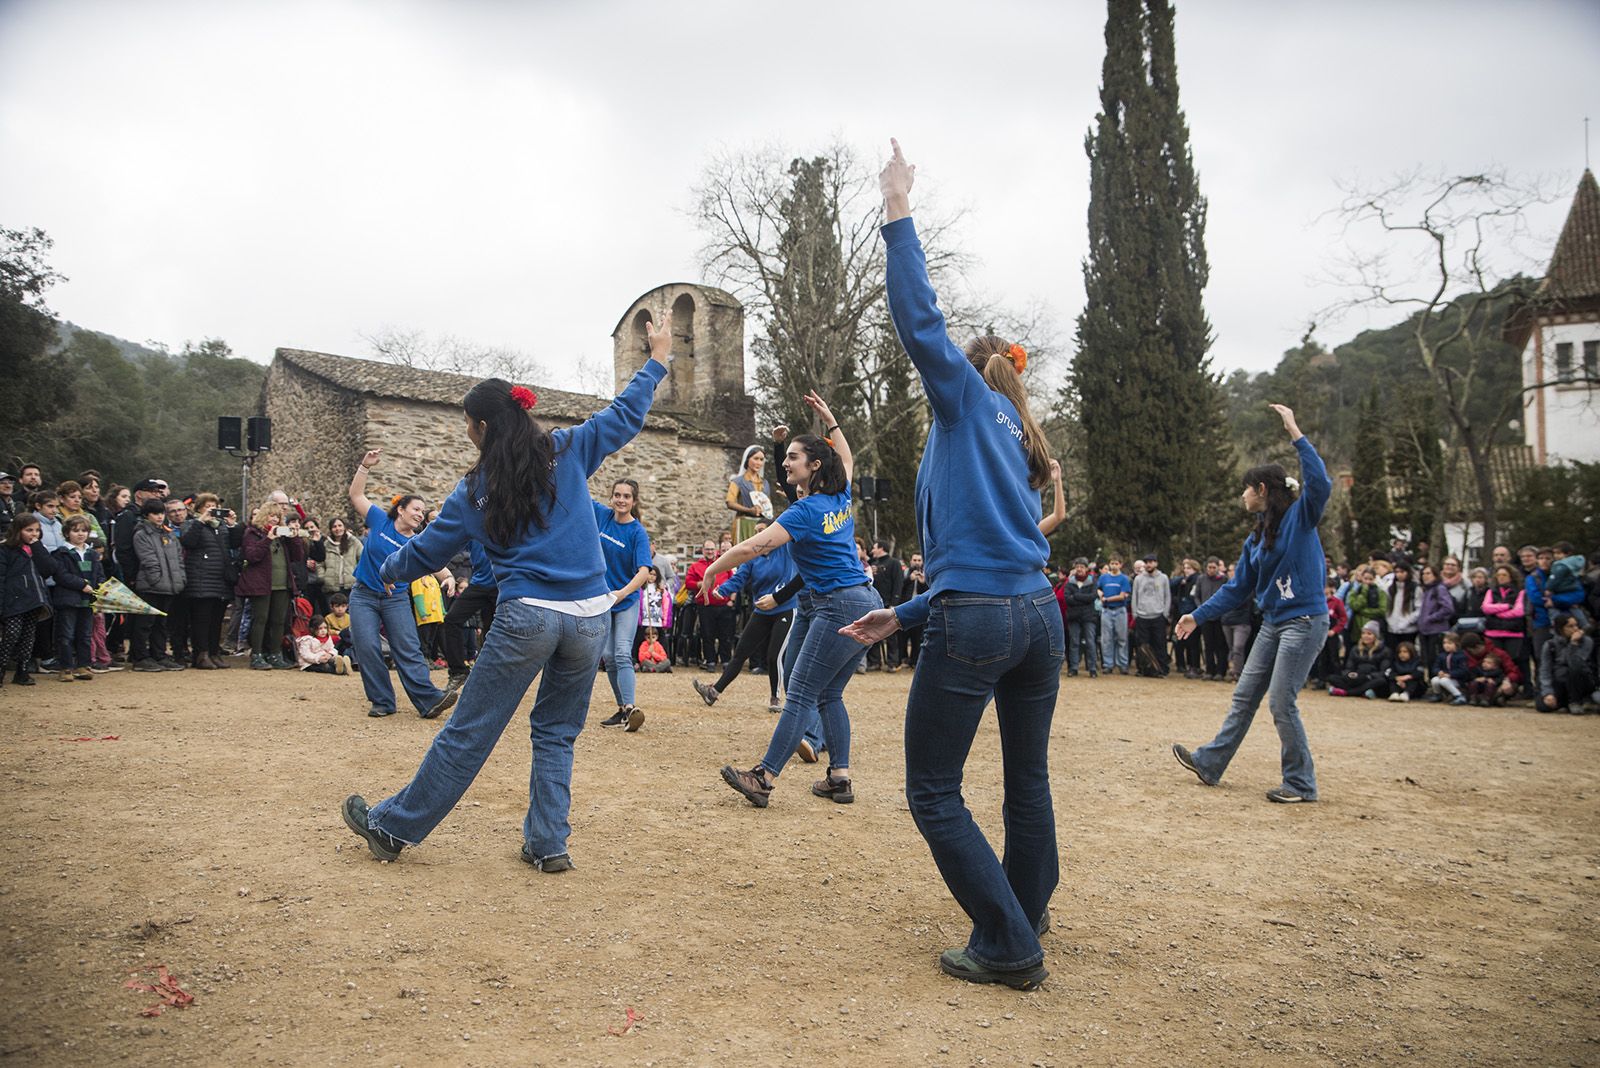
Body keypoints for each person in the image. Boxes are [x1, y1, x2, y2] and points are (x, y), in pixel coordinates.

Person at [835, 140, 1062, 990]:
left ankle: (1008, 942)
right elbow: (996, 558)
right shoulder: (1013, 429)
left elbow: (918, 320)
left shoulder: (965, 402)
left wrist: (898, 210)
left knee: (932, 789)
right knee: (1026, 780)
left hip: (982, 621)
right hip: (1036, 617)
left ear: (963, 372)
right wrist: (906, 612)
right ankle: (1028, 907)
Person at [341, 312, 673, 872]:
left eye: (468, 424)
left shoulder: (472, 489)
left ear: (483, 428)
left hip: (528, 619)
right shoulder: (565, 450)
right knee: (556, 733)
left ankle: (393, 828)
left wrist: (389, 569)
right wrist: (657, 358)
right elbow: (624, 416)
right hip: (590, 618)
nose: (466, 432)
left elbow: (425, 553)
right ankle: (548, 844)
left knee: (470, 731)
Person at [713, 390, 881, 808]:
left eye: (791, 457)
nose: (784, 463)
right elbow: (846, 456)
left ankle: (763, 778)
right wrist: (831, 421)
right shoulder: (839, 498)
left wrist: (715, 570)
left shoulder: (804, 512)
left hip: (838, 604)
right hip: (862, 599)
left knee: (802, 692)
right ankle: (839, 778)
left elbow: (755, 547)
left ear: (814, 466)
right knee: (830, 694)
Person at [1170, 403, 1331, 804]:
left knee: (1280, 702)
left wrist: (1295, 430)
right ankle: (1210, 763)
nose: (1241, 494)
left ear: (1261, 491)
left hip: (1305, 620)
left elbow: (1321, 483)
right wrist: (1196, 615)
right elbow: (1235, 588)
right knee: (1244, 696)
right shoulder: (1255, 539)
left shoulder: (1300, 517)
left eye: (1246, 488)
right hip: (1275, 623)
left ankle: (1301, 784)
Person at [344, 455, 459, 719]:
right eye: (416, 509)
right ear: (401, 510)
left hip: (395, 599)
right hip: (363, 596)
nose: (420, 514)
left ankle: (428, 700)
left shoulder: (417, 541)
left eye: (422, 511)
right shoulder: (379, 521)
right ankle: (382, 701)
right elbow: (356, 495)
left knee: (408, 648)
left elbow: (433, 563)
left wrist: (448, 576)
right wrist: (364, 467)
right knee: (368, 647)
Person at [692, 517, 797, 712]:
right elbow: (739, 578)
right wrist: (721, 590)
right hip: (762, 610)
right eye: (756, 532)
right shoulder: (752, 558)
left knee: (774, 656)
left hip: (786, 607)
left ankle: (776, 698)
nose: (759, 535)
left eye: (763, 531)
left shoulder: (786, 549)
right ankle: (713, 692)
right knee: (740, 653)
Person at [594, 478, 654, 730]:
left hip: (627, 599)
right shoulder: (604, 518)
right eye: (617, 495)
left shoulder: (637, 532)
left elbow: (643, 571)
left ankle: (630, 707)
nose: (621, 500)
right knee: (607, 656)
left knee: (621, 652)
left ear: (634, 501)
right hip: (604, 599)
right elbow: (579, 494)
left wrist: (621, 593)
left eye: (626, 496)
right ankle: (622, 710)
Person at [238, 501, 305, 671]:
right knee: (260, 619)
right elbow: (252, 556)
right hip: (260, 584)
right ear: (263, 516)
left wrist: (295, 537)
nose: (274, 519)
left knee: (279, 621)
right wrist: (268, 538)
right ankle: (257, 654)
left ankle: (276, 654)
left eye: (278, 516)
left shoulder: (283, 536)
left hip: (282, 584)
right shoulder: (252, 533)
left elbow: (298, 556)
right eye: (271, 515)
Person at [131, 498, 186, 672]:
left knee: (161, 624)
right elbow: (148, 561)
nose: (159, 517)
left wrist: (180, 579)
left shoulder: (168, 533)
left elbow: (178, 559)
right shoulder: (141, 534)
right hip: (150, 586)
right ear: (147, 515)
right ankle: (140, 657)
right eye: (155, 513)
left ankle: (159, 654)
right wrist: (156, 580)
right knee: (145, 623)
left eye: (161, 513)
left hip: (169, 586)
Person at [179, 493, 233, 670]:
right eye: (208, 506)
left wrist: (233, 525)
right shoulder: (191, 523)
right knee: (201, 620)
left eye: (215, 506)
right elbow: (188, 542)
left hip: (220, 579)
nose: (212, 509)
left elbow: (234, 544)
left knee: (216, 620)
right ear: (199, 508)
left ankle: (213, 652)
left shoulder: (222, 526)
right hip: (201, 579)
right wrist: (201, 521)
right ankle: (200, 654)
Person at [0, 514, 52, 686]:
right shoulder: (5, 549)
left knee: (29, 636)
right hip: (13, 600)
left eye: (37, 530)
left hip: (35, 599)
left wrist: (37, 547)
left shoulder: (38, 548)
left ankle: (22, 672)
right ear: (18, 530)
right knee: (11, 634)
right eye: (29, 530)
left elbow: (48, 569)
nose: (34, 534)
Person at [48, 516, 102, 681]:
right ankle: (65, 667)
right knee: (66, 634)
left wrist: (99, 587)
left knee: (85, 634)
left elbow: (99, 574)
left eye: (84, 530)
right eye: (75, 530)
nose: (80, 534)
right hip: (68, 599)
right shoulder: (61, 553)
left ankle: (83, 665)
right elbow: (61, 576)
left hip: (87, 601)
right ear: (66, 533)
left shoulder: (91, 553)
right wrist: (82, 585)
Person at [440, 542, 499, 683]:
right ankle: (458, 671)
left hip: (503, 584)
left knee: (493, 631)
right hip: (479, 584)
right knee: (451, 619)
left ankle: (491, 673)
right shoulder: (472, 524)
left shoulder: (508, 522)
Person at [1537, 614, 1594, 714]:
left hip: (1581, 682)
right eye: (1570, 626)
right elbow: (1545, 670)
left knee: (1574, 669)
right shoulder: (1550, 644)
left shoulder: (1586, 642)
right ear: (1560, 629)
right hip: (1560, 682)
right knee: (1543, 705)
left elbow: (1576, 663)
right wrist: (1548, 693)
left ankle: (1576, 702)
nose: (1575, 629)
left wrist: (1573, 644)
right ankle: (1564, 702)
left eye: (1576, 625)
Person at [1329, 621, 1395, 698]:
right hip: (1356, 678)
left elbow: (1383, 672)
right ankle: (1361, 692)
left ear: (1376, 636)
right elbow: (1349, 667)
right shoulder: (1355, 649)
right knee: (1332, 678)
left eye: (1369, 634)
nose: (1365, 636)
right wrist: (1350, 674)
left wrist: (1368, 676)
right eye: (1363, 633)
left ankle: (1348, 692)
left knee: (1381, 681)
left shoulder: (1385, 651)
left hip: (1371, 678)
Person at [1132, 554, 1171, 677]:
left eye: (1151, 562)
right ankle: (1143, 669)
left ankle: (1161, 669)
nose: (1149, 565)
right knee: (1142, 645)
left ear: (1156, 563)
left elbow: (1167, 596)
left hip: (1158, 615)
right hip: (1142, 616)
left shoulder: (1163, 578)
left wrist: (1165, 613)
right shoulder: (1138, 579)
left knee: (1160, 644)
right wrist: (1135, 614)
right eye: (1146, 562)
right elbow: (1135, 597)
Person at [1060, 558, 1099, 678]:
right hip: (1074, 617)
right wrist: (1082, 598)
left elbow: (1093, 596)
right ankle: (1073, 668)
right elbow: (1067, 599)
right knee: (1074, 642)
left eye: (1082, 567)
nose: (1079, 569)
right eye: (1077, 567)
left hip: (1089, 616)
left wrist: (1076, 596)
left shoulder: (1092, 581)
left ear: (1086, 568)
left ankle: (1092, 668)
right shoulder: (1070, 582)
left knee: (1090, 642)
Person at [1195, 557, 1229, 680]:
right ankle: (1209, 670)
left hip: (1219, 617)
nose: (1211, 570)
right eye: (1209, 567)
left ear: (1218, 568)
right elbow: (1196, 596)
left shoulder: (1223, 580)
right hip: (1205, 618)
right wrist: (1201, 609)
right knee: (1208, 645)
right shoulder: (1201, 579)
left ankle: (1221, 671)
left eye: (1214, 567)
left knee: (1220, 645)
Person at [1097, 556, 1131, 675]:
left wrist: (1107, 599)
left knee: (1122, 638)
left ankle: (1122, 664)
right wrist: (1101, 595)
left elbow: (1123, 595)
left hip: (1120, 610)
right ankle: (1108, 664)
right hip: (1106, 611)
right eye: (1112, 563)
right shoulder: (1103, 577)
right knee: (1106, 639)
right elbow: (1098, 588)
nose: (1114, 565)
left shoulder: (1124, 579)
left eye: (1116, 563)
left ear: (1120, 565)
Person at [1427, 632, 1471, 705]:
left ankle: (1459, 696)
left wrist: (1450, 675)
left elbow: (1463, 670)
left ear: (1456, 644)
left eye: (1449, 643)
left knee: (1444, 681)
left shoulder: (1461, 656)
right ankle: (1438, 694)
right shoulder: (1441, 655)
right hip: (1444, 677)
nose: (1446, 645)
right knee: (1434, 680)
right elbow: (1435, 667)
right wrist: (1439, 672)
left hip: (1457, 679)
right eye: (1444, 643)